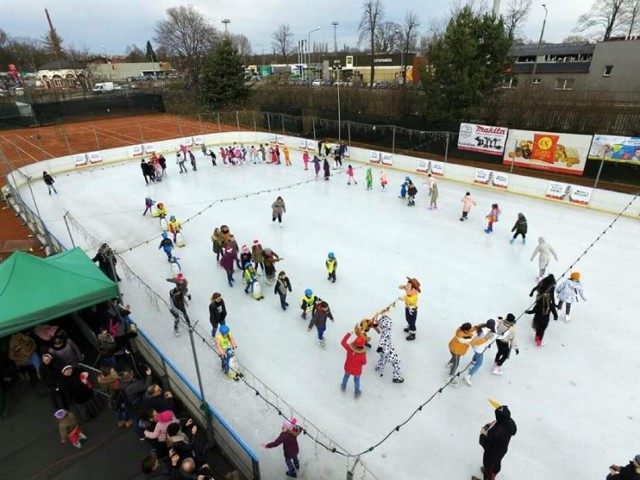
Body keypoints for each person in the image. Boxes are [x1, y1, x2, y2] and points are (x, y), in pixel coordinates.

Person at [475, 405, 518, 480]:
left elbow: (485, 444)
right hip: (502, 450)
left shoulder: (494, 432)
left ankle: (489, 477)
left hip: (491, 454)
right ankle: (493, 476)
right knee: (497, 463)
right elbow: (514, 431)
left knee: (488, 467)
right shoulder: (511, 422)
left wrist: (483, 433)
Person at [526, 279, 558, 346]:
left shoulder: (538, 304)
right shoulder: (550, 305)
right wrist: (555, 316)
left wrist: (528, 312)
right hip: (545, 319)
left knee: (538, 328)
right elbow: (554, 312)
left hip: (537, 318)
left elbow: (533, 311)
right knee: (542, 330)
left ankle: (536, 337)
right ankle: (539, 341)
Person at [463, 319, 496, 386]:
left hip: (473, 345)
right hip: (479, 348)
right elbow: (495, 337)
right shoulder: (490, 333)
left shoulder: (481, 327)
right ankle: (468, 376)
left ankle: (472, 363)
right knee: (479, 364)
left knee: (476, 354)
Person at [374, 315, 404, 383]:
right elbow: (384, 340)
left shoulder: (384, 330)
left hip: (381, 349)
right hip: (387, 350)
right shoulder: (388, 332)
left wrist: (376, 324)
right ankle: (396, 377)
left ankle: (378, 366)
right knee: (397, 362)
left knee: (382, 358)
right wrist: (383, 348)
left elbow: (382, 337)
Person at [340, 332, 367, 398]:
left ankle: (343, 386)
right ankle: (356, 392)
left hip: (348, 368)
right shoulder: (362, 354)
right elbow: (364, 362)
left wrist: (348, 334)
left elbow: (343, 342)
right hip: (357, 371)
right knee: (357, 381)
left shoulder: (349, 349)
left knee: (346, 377)